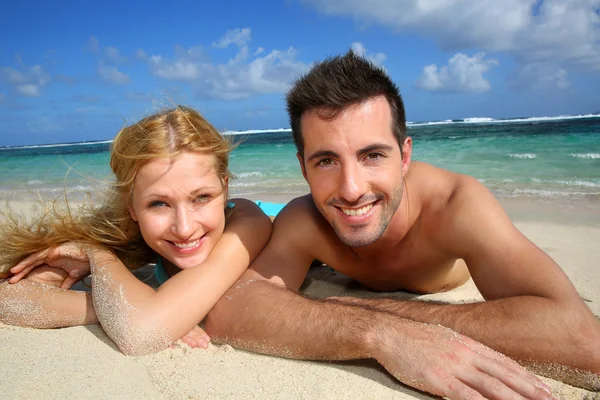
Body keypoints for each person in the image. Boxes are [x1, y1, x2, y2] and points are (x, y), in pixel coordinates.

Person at [204, 51, 600, 398]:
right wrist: (377, 333)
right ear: (303, 168)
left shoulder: (456, 207)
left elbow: (579, 337)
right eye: (326, 161)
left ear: (404, 156)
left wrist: (378, 310)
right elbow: (233, 308)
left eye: (372, 155)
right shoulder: (304, 220)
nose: (352, 188)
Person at [0, 106, 272, 356]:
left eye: (202, 197)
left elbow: (141, 334)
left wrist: (147, 310)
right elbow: (9, 298)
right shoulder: (137, 237)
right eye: (158, 203)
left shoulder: (248, 224)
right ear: (131, 206)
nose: (184, 227)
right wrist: (122, 304)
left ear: (225, 188)